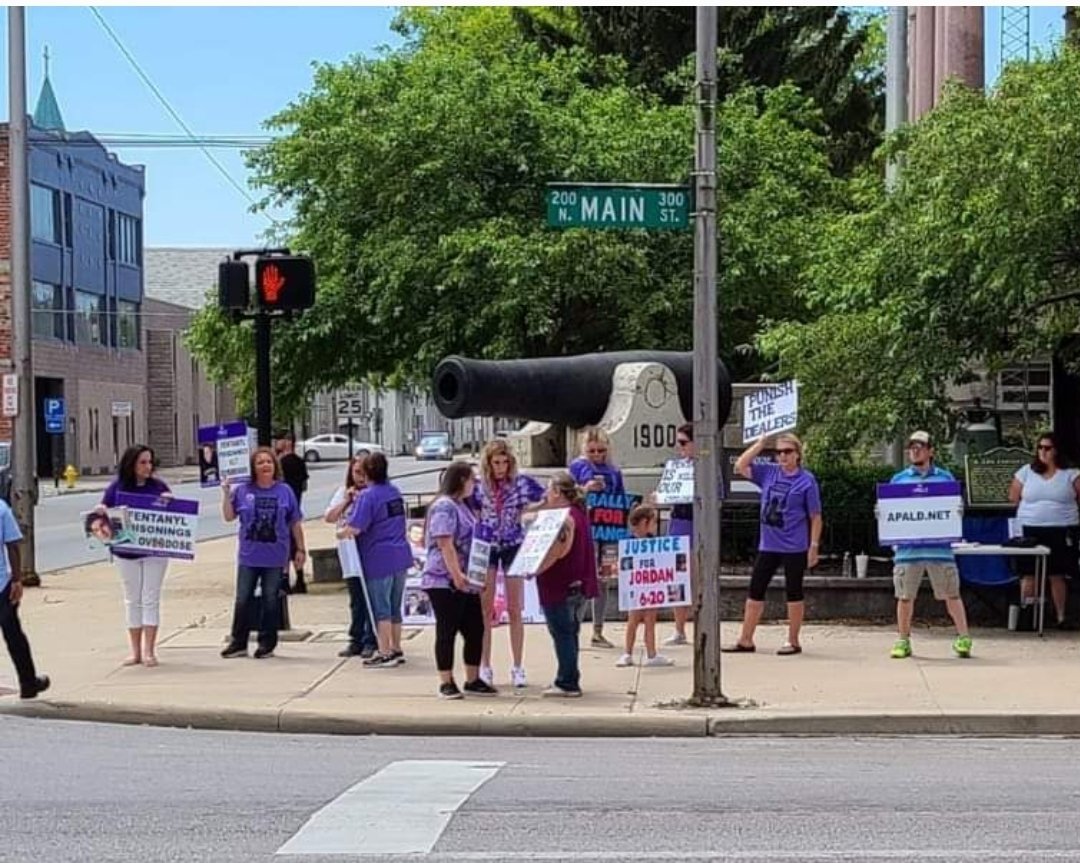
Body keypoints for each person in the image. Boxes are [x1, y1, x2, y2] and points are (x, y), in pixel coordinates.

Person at [724, 433, 822, 655]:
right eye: (779, 452)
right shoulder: (769, 473)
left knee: (793, 591)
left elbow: (815, 516)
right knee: (755, 589)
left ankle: (793, 640)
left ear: (797, 454)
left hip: (794, 545)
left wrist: (813, 545)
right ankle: (746, 638)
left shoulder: (806, 480)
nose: (783, 456)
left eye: (787, 452)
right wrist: (760, 445)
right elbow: (740, 466)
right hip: (769, 544)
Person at [887, 431, 972, 659]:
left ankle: (963, 637)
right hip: (908, 550)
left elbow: (954, 509)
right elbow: (890, 511)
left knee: (951, 594)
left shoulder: (945, 479)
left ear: (931, 451)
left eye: (921, 446)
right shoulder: (898, 480)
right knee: (905, 596)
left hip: (939, 549)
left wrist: (956, 513)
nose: (915, 450)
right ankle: (903, 640)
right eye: (912, 446)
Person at [471, 439, 545, 688]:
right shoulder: (479, 487)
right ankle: (485, 665)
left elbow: (543, 496)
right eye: (496, 463)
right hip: (488, 546)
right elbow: (469, 508)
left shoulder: (520, 483)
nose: (501, 467)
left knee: (515, 608)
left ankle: (517, 665)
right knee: (485, 609)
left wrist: (538, 508)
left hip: (513, 544)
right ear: (488, 464)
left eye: (504, 462)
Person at [421, 461, 498, 699]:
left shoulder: (461, 506)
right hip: (444, 580)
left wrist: (474, 576)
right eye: (472, 480)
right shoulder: (444, 506)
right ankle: (446, 681)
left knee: (475, 628)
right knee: (447, 630)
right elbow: (445, 543)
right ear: (461, 480)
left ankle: (473, 678)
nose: (474, 485)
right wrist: (456, 575)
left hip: (466, 579)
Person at [220, 446, 305, 659]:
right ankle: (238, 642)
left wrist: (300, 549)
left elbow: (295, 522)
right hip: (249, 555)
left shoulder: (284, 491)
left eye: (268, 461)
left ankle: (267, 643)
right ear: (253, 468)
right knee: (243, 598)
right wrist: (225, 493)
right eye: (260, 462)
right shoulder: (243, 491)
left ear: (274, 465)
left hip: (276, 555)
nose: (265, 465)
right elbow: (229, 517)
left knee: (270, 599)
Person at [96, 445, 172, 668]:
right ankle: (135, 650)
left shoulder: (158, 487)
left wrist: (169, 502)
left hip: (154, 551)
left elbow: (173, 513)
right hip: (125, 551)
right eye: (143, 462)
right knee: (132, 599)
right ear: (131, 464)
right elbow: (104, 507)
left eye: (150, 462)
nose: (148, 467)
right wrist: (100, 509)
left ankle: (149, 650)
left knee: (150, 597)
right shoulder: (117, 488)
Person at [341, 452, 414, 668]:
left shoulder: (367, 496)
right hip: (400, 554)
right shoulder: (394, 492)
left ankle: (384, 651)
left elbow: (356, 526)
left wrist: (341, 532)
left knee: (380, 608)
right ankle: (397, 647)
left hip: (377, 557)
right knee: (394, 606)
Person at [534, 471, 599, 697]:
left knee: (562, 634)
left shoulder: (566, 518)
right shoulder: (579, 513)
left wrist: (535, 568)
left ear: (557, 492)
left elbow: (560, 550)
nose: (545, 494)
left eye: (549, 490)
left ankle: (567, 681)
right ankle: (569, 675)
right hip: (577, 585)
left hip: (560, 585)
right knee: (570, 633)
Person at [1008, 431, 1080, 629]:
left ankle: (1061, 617)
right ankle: (1028, 616)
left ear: (1057, 450)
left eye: (1047, 448)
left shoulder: (1071, 474)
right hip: (1030, 528)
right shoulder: (1026, 471)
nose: (1043, 452)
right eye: (1040, 447)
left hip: (1061, 528)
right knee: (1029, 573)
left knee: (1056, 573)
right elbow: (1014, 496)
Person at [568, 427, 624, 648]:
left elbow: (622, 500)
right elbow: (566, 494)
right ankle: (574, 628)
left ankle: (598, 631)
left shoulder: (614, 471)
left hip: (609, 529)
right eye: (592, 451)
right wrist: (585, 489)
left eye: (601, 450)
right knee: (584, 578)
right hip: (587, 529)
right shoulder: (577, 467)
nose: (597, 455)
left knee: (605, 579)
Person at [324, 453, 378, 658]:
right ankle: (355, 638)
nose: (361, 477)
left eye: (364, 473)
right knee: (356, 599)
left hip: (370, 554)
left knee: (370, 598)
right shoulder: (343, 493)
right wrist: (346, 501)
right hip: (349, 555)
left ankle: (370, 638)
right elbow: (329, 517)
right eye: (356, 472)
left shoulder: (374, 493)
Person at [0, 496, 49, 699]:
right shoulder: (2, 509)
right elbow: (13, 545)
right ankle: (28, 683)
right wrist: (17, 580)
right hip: (2, 585)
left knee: (14, 634)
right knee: (13, 634)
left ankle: (29, 682)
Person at [616, 504, 674, 668]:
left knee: (650, 620)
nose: (656, 525)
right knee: (633, 620)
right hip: (636, 587)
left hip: (650, 587)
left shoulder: (653, 542)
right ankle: (627, 653)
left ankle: (651, 653)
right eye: (654, 521)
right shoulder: (628, 542)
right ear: (644, 523)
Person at [664, 422, 695, 646]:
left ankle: (696, 622)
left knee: (695, 578)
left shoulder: (708, 467)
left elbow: (718, 498)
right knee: (677, 577)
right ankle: (679, 628)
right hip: (678, 521)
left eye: (683, 443)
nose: (680, 447)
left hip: (696, 524)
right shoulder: (675, 466)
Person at [278, 432, 310, 594]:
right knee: (297, 544)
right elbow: (304, 485)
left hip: (282, 509)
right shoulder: (299, 462)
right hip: (296, 504)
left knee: (284, 544)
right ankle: (300, 578)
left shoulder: (280, 463)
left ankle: (284, 580)